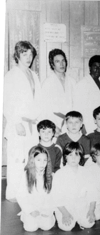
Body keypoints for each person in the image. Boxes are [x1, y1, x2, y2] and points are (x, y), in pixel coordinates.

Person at [3, 41, 42, 201]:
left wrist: (39, 119)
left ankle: (26, 191)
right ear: (17, 55)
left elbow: (38, 101)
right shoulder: (11, 75)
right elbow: (6, 101)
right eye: (24, 54)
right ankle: (12, 193)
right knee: (17, 159)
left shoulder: (33, 75)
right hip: (18, 125)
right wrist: (16, 122)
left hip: (32, 124)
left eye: (30, 54)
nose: (28, 57)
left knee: (30, 158)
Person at [52, 142, 97, 231]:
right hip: (65, 206)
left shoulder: (86, 172)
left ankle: (80, 218)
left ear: (81, 157)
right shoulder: (59, 174)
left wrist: (91, 210)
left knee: (89, 224)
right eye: (70, 155)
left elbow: (93, 192)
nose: (73, 158)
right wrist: (65, 214)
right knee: (66, 227)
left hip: (82, 205)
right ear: (65, 157)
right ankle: (65, 217)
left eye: (76, 155)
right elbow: (56, 197)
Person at [16, 146, 55, 232]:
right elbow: (21, 196)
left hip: (45, 208)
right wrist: (30, 210)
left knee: (46, 227)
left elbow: (53, 196)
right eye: (38, 160)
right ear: (32, 160)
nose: (42, 164)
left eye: (45, 160)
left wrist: (47, 210)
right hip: (31, 208)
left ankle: (46, 218)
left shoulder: (51, 176)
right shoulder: (26, 175)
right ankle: (26, 216)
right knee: (30, 228)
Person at [40, 49, 76, 132]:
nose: (61, 64)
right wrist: (52, 126)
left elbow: (77, 104)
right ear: (52, 64)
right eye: (57, 61)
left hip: (72, 123)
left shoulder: (72, 81)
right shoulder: (48, 83)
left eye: (63, 61)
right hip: (55, 123)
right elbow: (45, 108)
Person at [73, 55, 100, 133]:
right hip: (87, 124)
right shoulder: (82, 83)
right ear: (90, 67)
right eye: (95, 66)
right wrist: (82, 126)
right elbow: (77, 107)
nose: (97, 69)